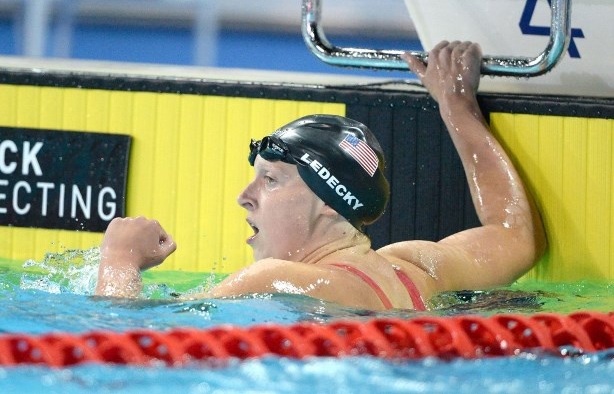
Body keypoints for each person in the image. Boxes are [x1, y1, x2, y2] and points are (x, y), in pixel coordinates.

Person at [95, 41, 546, 310]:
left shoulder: (270, 279)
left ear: (330, 202)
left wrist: (118, 260)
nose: (244, 197)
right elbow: (515, 234)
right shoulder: (419, 267)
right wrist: (457, 105)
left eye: (270, 181)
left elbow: (120, 345)